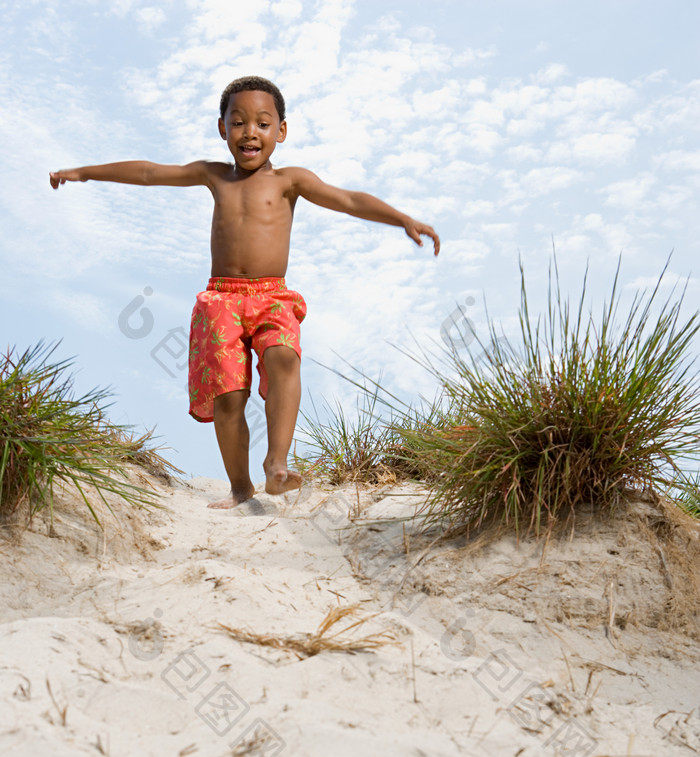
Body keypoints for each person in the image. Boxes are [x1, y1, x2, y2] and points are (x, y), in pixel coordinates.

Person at [50, 75, 440, 508]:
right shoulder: (213, 176)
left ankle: (276, 465)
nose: (250, 132)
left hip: (273, 296)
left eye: (262, 123)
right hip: (221, 299)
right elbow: (149, 172)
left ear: (281, 131)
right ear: (222, 128)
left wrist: (401, 218)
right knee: (229, 397)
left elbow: (347, 200)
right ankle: (240, 487)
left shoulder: (291, 180)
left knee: (283, 357)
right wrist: (83, 173)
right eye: (238, 122)